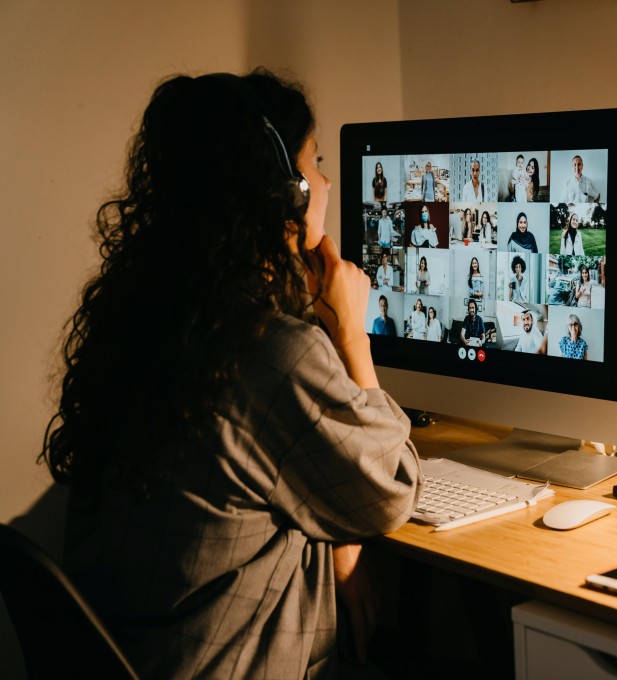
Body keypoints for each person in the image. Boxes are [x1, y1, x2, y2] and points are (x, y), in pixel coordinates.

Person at [39, 69, 420, 678]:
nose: (325, 182)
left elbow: (281, 469)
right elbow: (389, 489)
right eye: (315, 162)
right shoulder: (272, 349)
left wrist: (342, 544)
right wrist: (350, 330)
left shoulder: (154, 319)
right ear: (286, 194)